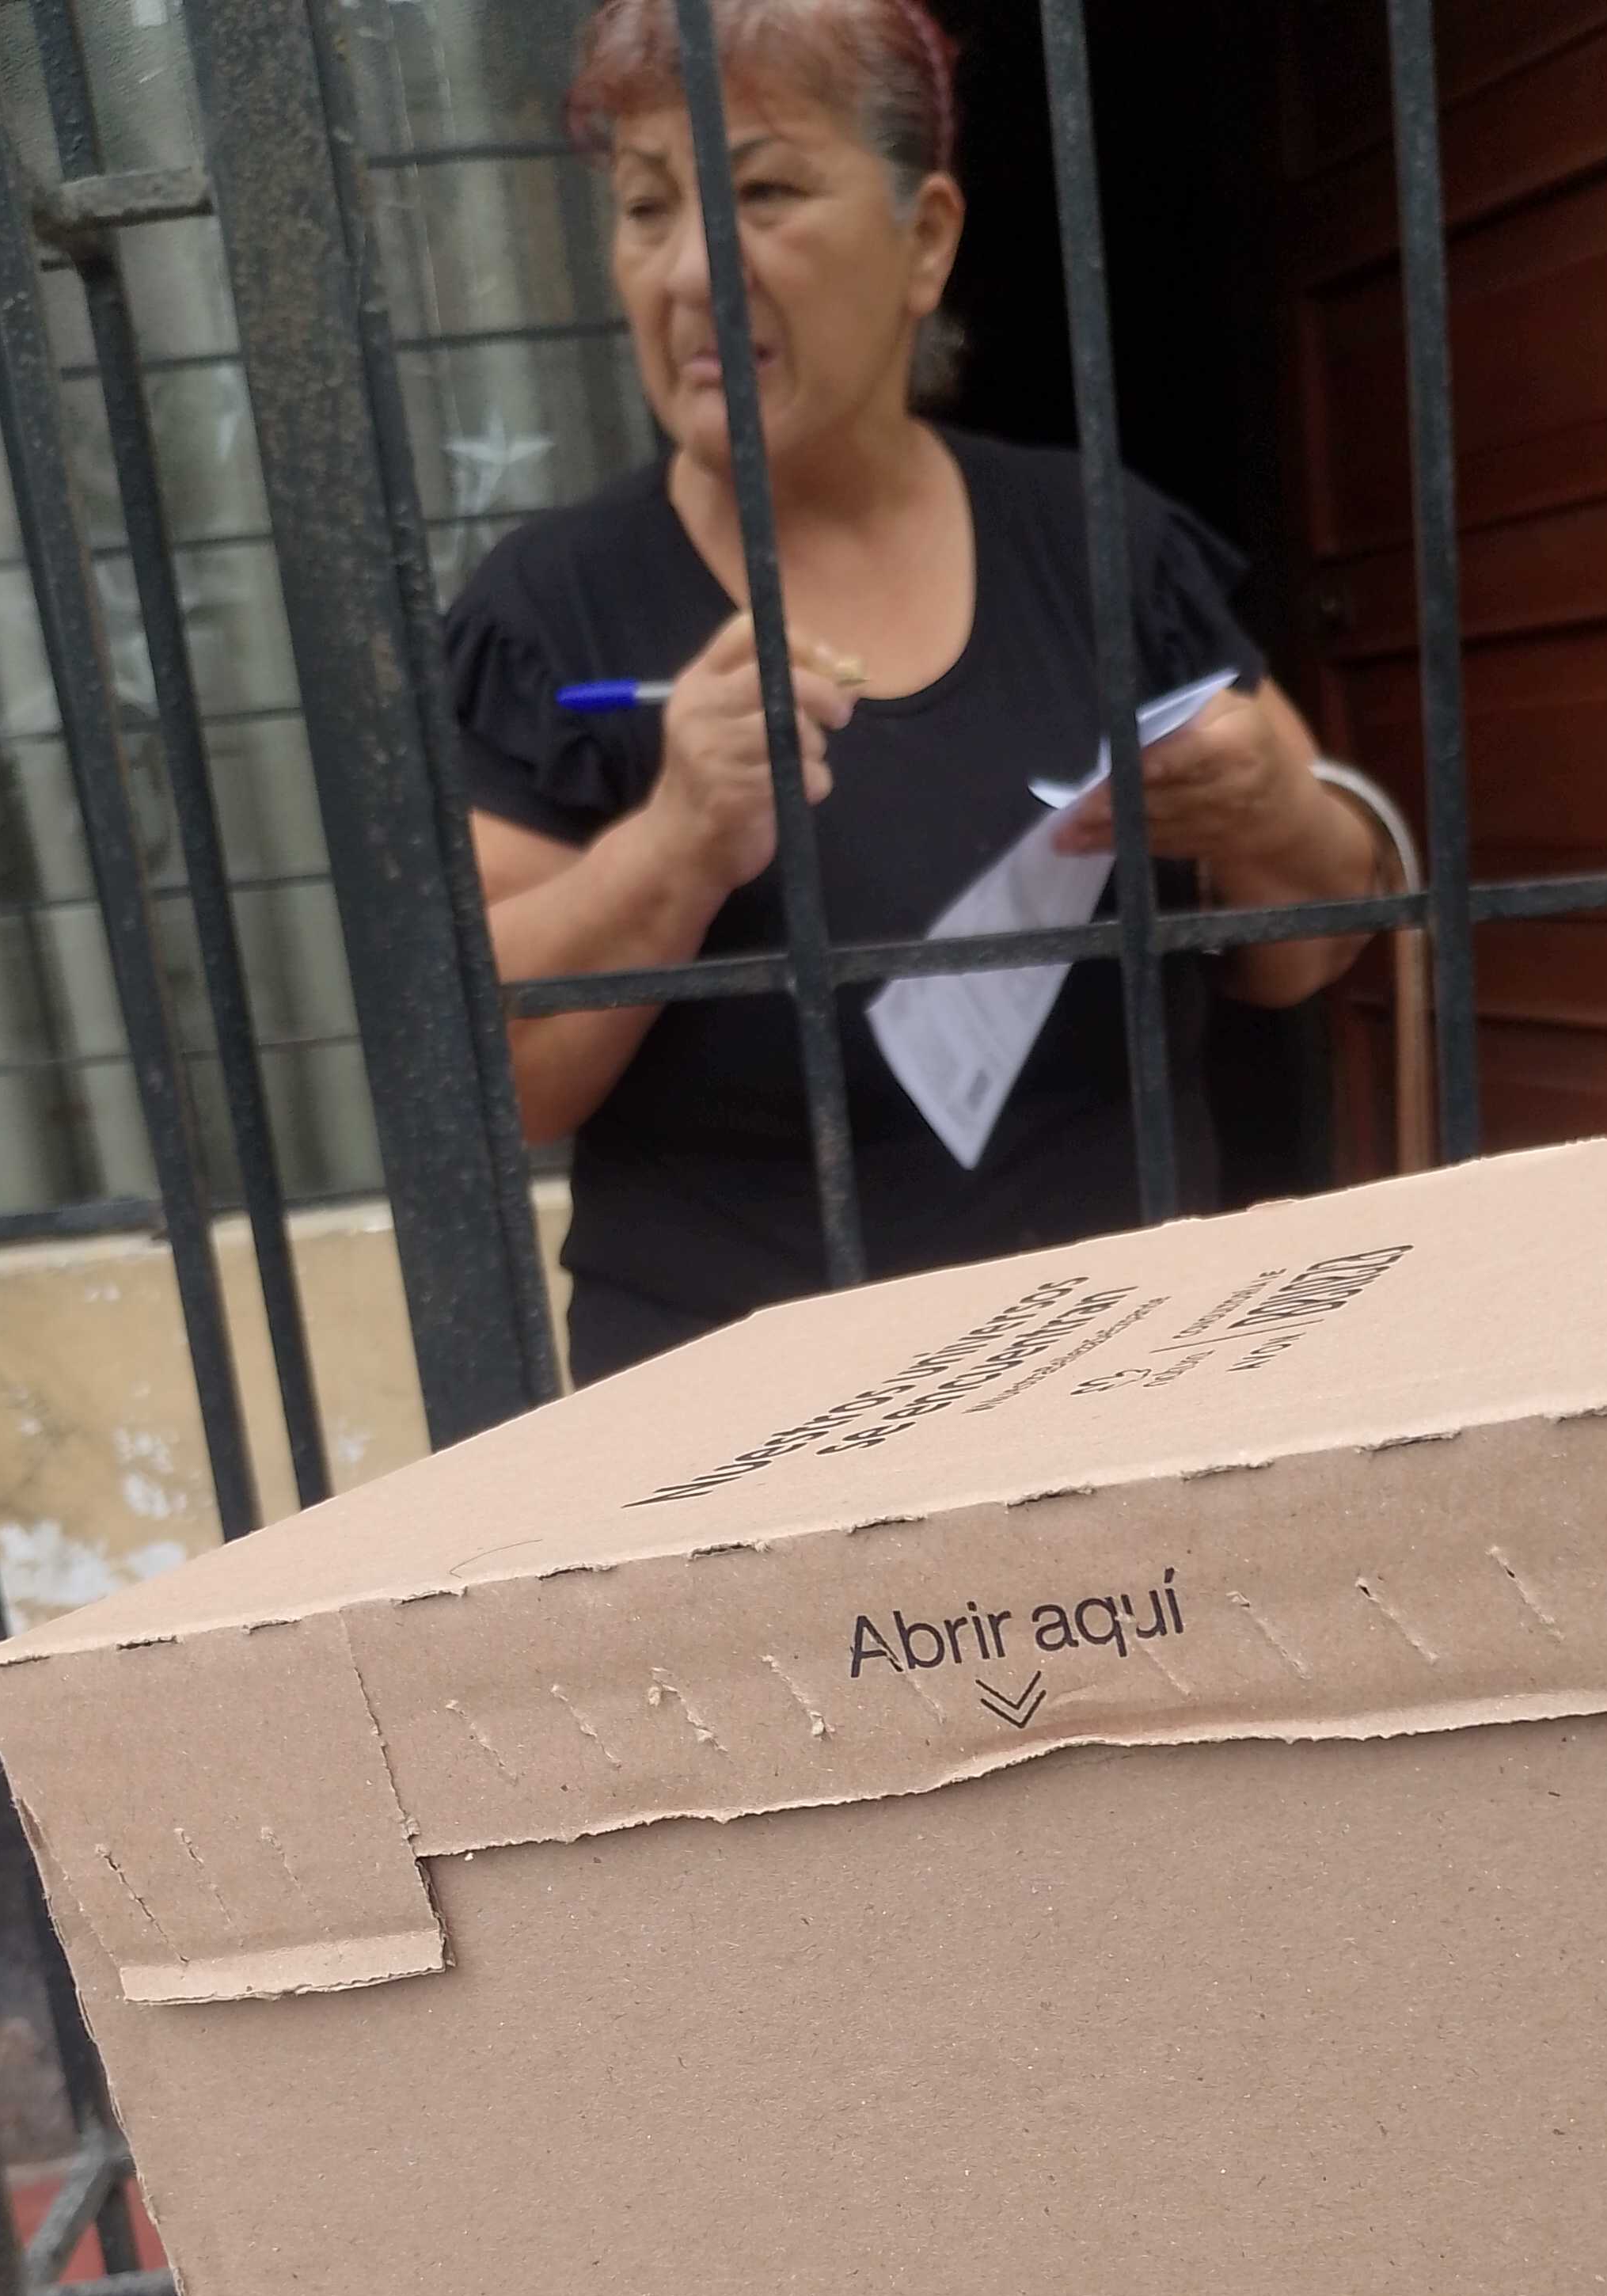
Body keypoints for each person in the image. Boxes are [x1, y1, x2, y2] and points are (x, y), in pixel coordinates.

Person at [446, 0, 1382, 1385]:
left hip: (1125, 1373)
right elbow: (494, 1076)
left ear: (926, 238)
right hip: (746, 1419)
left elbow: (1317, 939)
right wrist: (677, 845)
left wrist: (1267, 813)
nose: (692, 269)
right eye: (647, 208)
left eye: (766, 192)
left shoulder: (1097, 545)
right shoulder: (550, 610)